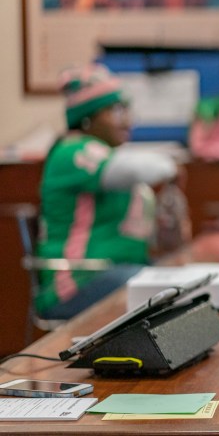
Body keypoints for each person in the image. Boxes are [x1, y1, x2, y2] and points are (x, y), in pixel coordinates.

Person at [36, 63, 179, 320]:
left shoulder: (111, 155)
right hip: (76, 280)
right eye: (115, 109)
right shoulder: (72, 150)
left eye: (127, 109)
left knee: (185, 282)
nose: (126, 119)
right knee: (167, 290)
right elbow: (139, 169)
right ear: (88, 117)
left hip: (119, 272)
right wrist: (171, 167)